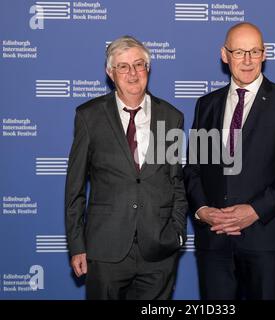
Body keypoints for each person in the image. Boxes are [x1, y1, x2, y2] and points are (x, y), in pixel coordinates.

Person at [183, 22, 275, 300]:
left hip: (267, 239)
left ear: (264, 54)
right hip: (214, 241)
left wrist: (253, 211)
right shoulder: (206, 105)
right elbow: (193, 168)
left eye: (255, 51)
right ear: (224, 54)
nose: (247, 60)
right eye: (239, 52)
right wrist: (203, 210)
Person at [65, 35, 187, 300]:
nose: (132, 73)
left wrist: (177, 234)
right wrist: (77, 245)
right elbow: (74, 188)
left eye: (139, 64)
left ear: (148, 69)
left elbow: (176, 180)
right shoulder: (89, 116)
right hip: (106, 248)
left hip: (158, 249)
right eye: (123, 66)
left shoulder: (171, 116)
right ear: (110, 73)